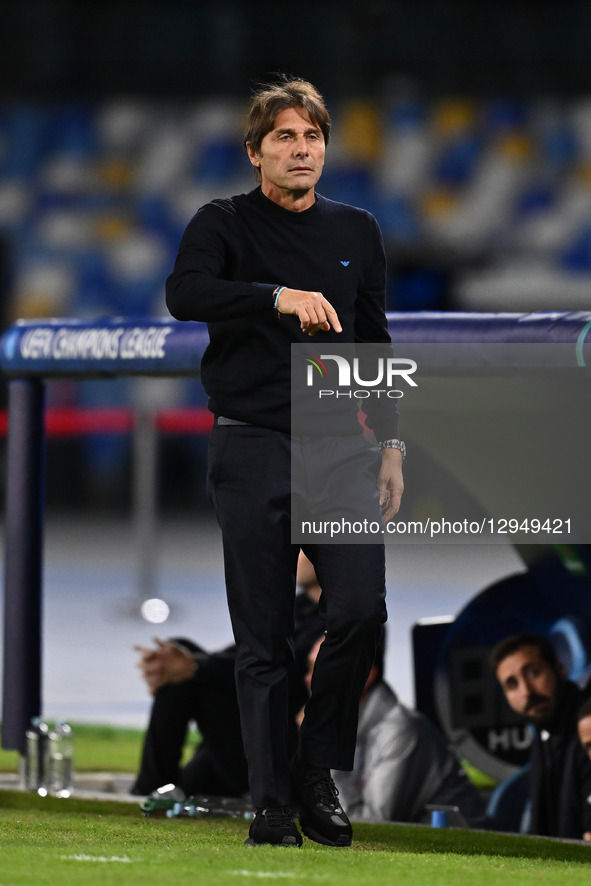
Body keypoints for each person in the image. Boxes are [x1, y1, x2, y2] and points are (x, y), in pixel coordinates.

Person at [165, 75, 404, 847]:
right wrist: (275, 296)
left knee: (360, 611)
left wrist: (391, 443)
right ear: (255, 151)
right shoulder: (221, 222)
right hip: (251, 443)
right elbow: (184, 293)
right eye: (284, 137)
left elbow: (372, 341)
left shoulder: (357, 229)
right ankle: (270, 804)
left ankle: (312, 768)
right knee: (263, 637)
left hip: (339, 447)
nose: (301, 150)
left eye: (312, 137)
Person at [131, 552, 325, 798]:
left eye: (302, 547)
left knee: (194, 670)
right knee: (184, 656)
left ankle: (150, 787)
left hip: (287, 751)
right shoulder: (297, 607)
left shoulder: (344, 618)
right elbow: (244, 656)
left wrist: (195, 667)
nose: (291, 552)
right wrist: (185, 664)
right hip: (251, 739)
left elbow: (281, 672)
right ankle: (157, 787)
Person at [300, 635, 487, 828]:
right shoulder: (344, 725)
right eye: (310, 667)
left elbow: (372, 827)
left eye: (324, 667)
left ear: (365, 674)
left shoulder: (400, 729)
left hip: (467, 843)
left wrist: (325, 745)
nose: (309, 678)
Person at [490, 631, 591, 841]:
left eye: (534, 673)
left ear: (559, 670)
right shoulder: (543, 733)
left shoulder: (587, 727)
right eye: (512, 684)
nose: (527, 691)